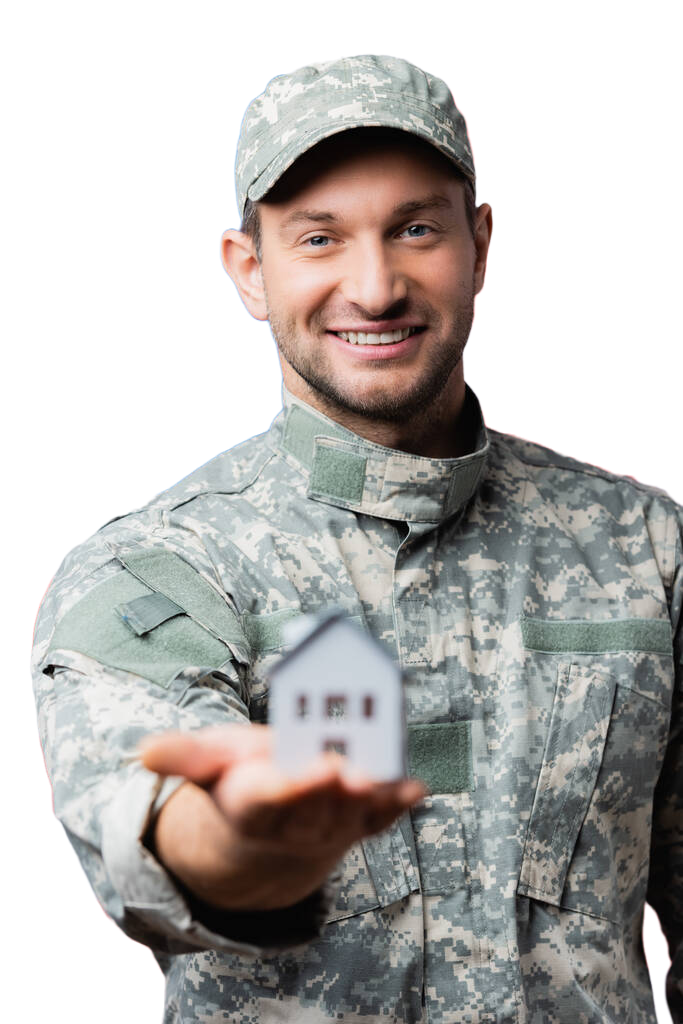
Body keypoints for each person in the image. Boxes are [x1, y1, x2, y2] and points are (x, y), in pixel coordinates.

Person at [30, 54, 680, 1023]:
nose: (373, 286)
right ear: (249, 271)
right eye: (319, 239)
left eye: (414, 229)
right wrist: (248, 847)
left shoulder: (649, 546)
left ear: (481, 245)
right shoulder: (155, 570)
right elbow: (146, 825)